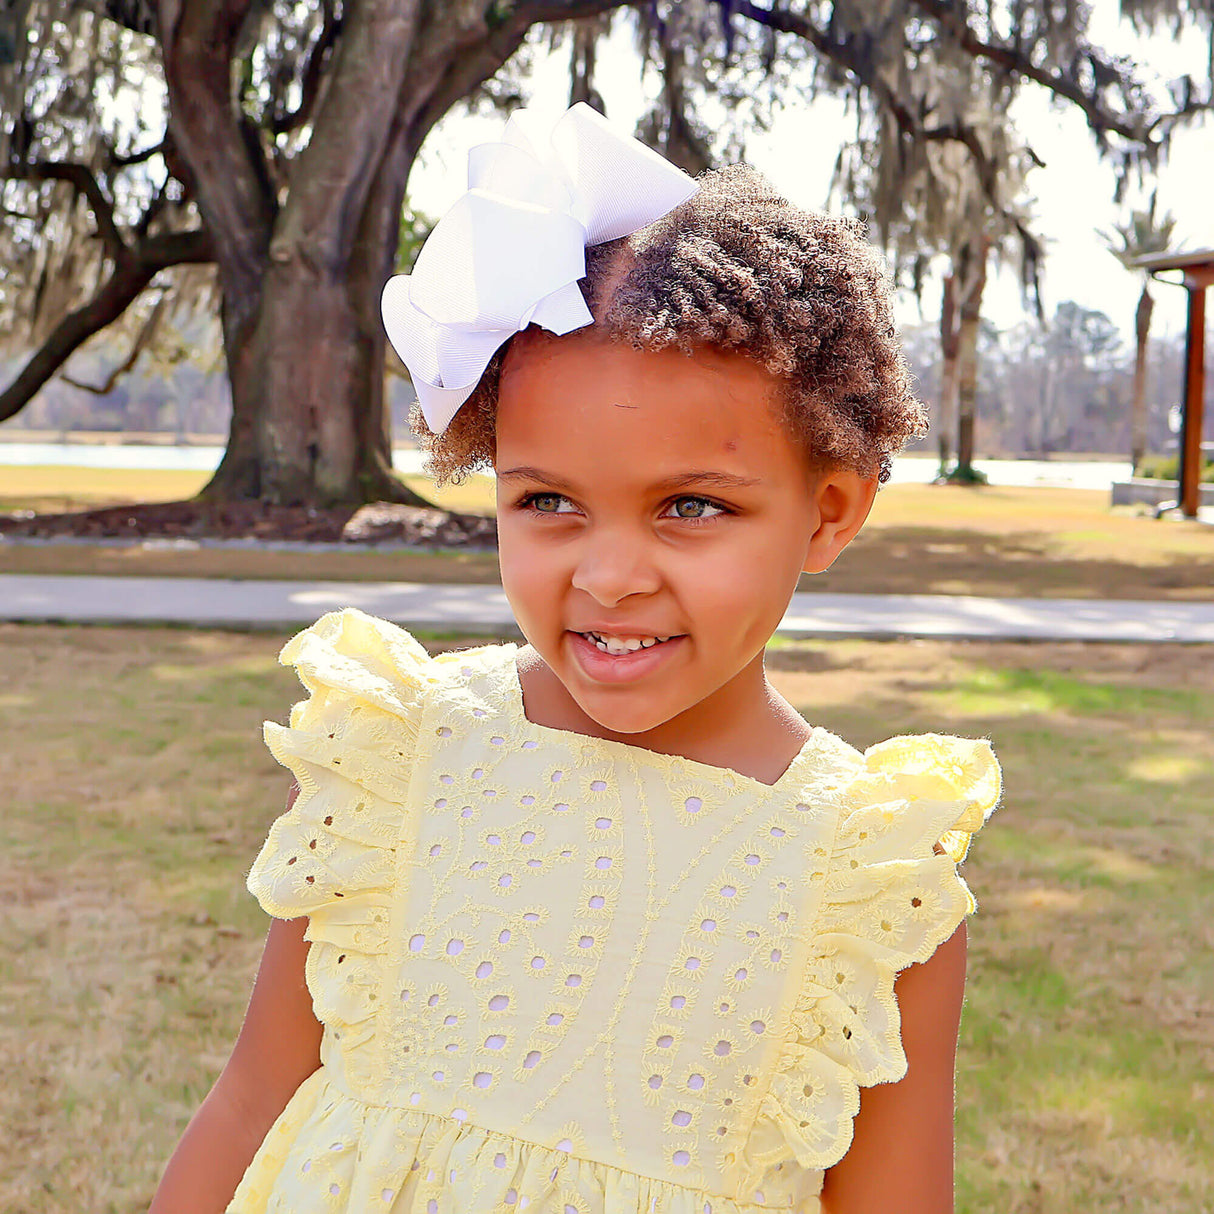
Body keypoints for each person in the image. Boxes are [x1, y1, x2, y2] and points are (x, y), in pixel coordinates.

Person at [151, 104, 999, 1214]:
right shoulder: (396, 760)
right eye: (546, 500)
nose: (608, 576)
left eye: (689, 505)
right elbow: (255, 1090)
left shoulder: (868, 875)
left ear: (828, 509)